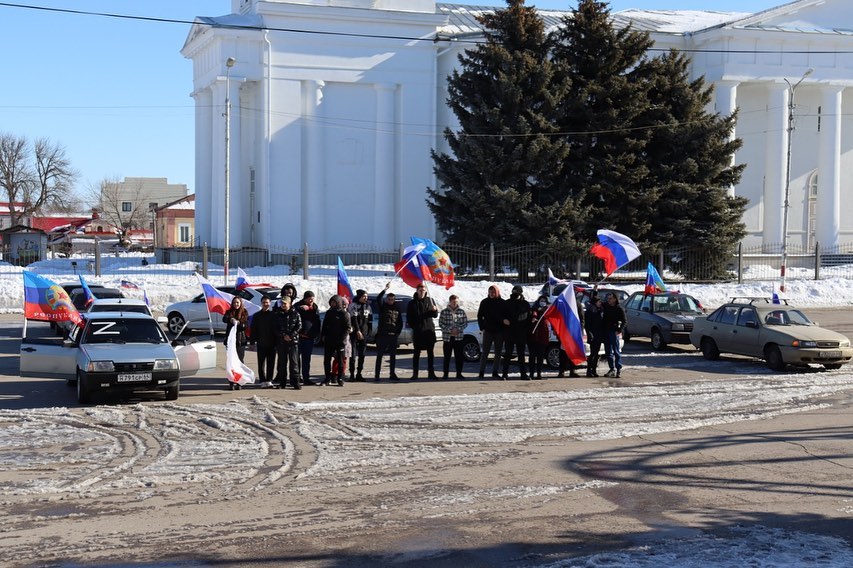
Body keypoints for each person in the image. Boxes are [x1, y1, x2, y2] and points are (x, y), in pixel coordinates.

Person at [407, 283, 439, 380]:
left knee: (430, 353)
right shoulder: (412, 303)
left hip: (429, 331)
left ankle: (431, 373)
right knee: (416, 353)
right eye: (420, 290)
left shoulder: (430, 300)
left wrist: (434, 310)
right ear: (417, 291)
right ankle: (415, 374)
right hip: (418, 332)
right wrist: (415, 327)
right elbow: (409, 318)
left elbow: (435, 315)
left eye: (423, 290)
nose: (422, 292)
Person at [373, 283, 403, 381]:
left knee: (393, 356)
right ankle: (377, 375)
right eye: (389, 299)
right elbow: (378, 299)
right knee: (380, 355)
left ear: (394, 300)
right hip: (383, 335)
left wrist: (397, 333)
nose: (390, 301)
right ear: (387, 299)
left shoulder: (397, 309)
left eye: (392, 299)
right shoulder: (383, 307)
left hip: (393, 336)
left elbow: (400, 323)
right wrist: (385, 289)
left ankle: (392, 374)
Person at [502, 285, 531, 380]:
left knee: (521, 355)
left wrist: (526, 330)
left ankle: (523, 374)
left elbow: (528, 319)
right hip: (509, 332)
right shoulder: (507, 303)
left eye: (517, 292)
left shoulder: (525, 304)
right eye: (514, 292)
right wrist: (504, 320)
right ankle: (504, 374)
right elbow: (502, 315)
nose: (515, 294)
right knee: (508, 354)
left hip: (521, 333)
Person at [320, 295, 350, 386]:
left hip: (340, 341)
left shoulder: (344, 314)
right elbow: (324, 325)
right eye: (331, 302)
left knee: (340, 361)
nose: (333, 304)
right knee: (327, 360)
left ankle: (340, 378)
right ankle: (327, 378)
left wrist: (342, 339)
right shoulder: (329, 313)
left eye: (334, 302)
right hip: (329, 340)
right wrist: (323, 336)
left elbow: (347, 328)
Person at [273, 295, 302, 389]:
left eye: (285, 303)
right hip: (282, 342)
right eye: (282, 303)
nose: (283, 305)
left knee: (294, 363)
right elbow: (275, 328)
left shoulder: (296, 314)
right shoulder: (277, 314)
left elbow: (299, 326)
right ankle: (282, 382)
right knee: (282, 363)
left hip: (293, 342)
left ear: (289, 304)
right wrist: (283, 335)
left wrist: (290, 335)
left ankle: (295, 382)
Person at [477, 285, 505, 379]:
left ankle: (495, 372)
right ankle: (481, 372)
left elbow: (506, 317)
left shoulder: (502, 303)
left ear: (497, 292)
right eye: (490, 292)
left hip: (499, 331)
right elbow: (479, 316)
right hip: (488, 331)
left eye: (493, 292)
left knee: (498, 353)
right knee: (485, 352)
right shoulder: (484, 302)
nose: (492, 293)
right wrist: (482, 327)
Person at [249, 296, 277, 388]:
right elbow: (253, 330)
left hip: (272, 344)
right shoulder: (257, 316)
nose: (265, 304)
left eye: (267, 302)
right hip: (261, 343)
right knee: (261, 363)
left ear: (270, 303)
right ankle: (262, 380)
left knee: (271, 363)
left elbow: (277, 330)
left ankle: (269, 380)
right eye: (264, 302)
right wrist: (252, 342)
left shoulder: (274, 315)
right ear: (261, 303)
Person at [294, 290, 321, 384]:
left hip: (309, 337)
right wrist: (300, 308)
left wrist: (316, 333)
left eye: (312, 299)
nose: (311, 301)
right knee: (296, 359)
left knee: (307, 359)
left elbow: (317, 320)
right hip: (299, 337)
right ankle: (297, 377)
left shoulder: (314, 307)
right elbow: (292, 312)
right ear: (305, 299)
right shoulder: (298, 306)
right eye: (309, 299)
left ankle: (306, 378)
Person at [439, 295, 468, 379]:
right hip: (447, 338)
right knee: (447, 357)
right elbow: (441, 323)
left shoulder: (461, 312)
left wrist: (457, 329)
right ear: (450, 302)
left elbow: (465, 323)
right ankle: (445, 374)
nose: (455, 303)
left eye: (456, 302)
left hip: (458, 337)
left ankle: (459, 373)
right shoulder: (444, 312)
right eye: (453, 302)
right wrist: (450, 330)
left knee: (459, 356)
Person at [223, 296, 249, 390]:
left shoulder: (244, 312)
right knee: (231, 362)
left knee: (239, 362)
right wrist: (231, 319)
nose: (236, 304)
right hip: (230, 342)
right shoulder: (229, 312)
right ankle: (231, 382)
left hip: (240, 342)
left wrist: (239, 323)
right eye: (234, 303)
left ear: (240, 303)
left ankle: (239, 382)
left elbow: (245, 325)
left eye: (237, 303)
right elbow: (224, 319)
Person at [558, 295, 585, 378]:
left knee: (573, 352)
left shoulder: (578, 304)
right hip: (564, 331)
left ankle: (572, 371)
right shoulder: (563, 304)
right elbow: (559, 317)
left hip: (574, 332)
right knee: (563, 353)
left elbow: (582, 318)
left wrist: (580, 330)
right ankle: (561, 371)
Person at [348, 289, 372, 381]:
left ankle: (359, 373)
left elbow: (369, 320)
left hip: (364, 334)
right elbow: (353, 319)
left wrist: (368, 333)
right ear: (359, 297)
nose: (365, 298)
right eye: (363, 296)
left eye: (366, 296)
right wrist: (358, 331)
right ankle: (352, 374)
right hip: (355, 333)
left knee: (362, 355)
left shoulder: (368, 307)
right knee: (353, 355)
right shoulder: (353, 306)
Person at [602, 292, 626, 378]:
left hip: (614, 332)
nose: (609, 300)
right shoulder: (606, 306)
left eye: (611, 298)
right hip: (606, 331)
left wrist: (619, 330)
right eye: (608, 298)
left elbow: (624, 321)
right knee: (608, 352)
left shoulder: (619, 309)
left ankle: (618, 369)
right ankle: (611, 369)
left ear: (615, 299)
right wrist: (595, 290)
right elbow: (595, 300)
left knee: (616, 351)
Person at [528, 295, 551, 380]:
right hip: (533, 337)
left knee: (540, 356)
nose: (542, 302)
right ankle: (531, 374)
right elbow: (534, 314)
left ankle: (539, 373)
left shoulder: (547, 311)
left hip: (543, 336)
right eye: (541, 300)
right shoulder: (534, 308)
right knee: (532, 356)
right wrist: (533, 318)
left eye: (544, 301)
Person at [584, 294, 605, 377]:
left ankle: (594, 370)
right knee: (592, 354)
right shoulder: (589, 311)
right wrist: (590, 334)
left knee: (597, 354)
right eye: (598, 302)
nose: (600, 303)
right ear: (594, 303)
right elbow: (587, 326)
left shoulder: (600, 310)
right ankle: (589, 371)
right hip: (593, 335)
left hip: (599, 335)